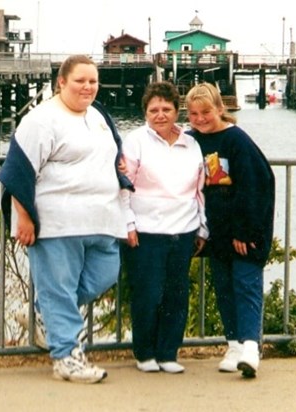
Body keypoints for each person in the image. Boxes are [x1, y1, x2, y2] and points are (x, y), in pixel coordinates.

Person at [0, 54, 133, 384]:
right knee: (59, 289)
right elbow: (19, 171)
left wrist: (121, 167)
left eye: (93, 81)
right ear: (61, 82)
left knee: (105, 275)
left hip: (102, 220)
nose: (88, 87)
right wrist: (24, 217)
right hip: (58, 223)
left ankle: (44, 315)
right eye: (80, 81)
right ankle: (66, 357)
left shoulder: (99, 116)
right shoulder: (41, 120)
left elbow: (113, 153)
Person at [185, 82, 275, 378]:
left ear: (220, 109)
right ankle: (234, 344)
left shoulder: (237, 141)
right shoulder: (191, 141)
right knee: (223, 287)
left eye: (206, 112)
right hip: (215, 232)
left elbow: (255, 185)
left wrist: (245, 231)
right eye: (193, 113)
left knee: (245, 284)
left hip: (243, 232)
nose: (200, 118)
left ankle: (251, 346)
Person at [121, 81, 208, 374]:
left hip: (183, 231)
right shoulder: (135, 142)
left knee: (176, 293)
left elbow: (200, 190)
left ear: (176, 110)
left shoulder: (192, 143)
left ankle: (168, 352)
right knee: (148, 293)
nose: (160, 115)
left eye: (166, 109)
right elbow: (122, 187)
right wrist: (128, 223)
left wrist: (202, 228)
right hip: (146, 232)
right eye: (153, 110)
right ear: (145, 112)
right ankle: (145, 352)